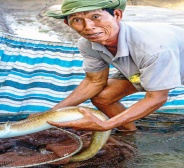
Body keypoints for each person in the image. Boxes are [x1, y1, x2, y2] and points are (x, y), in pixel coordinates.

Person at [45, 0, 184, 132]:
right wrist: (49, 115)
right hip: (144, 67)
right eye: (76, 20)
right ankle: (129, 134)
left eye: (95, 16)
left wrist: (105, 125)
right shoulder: (87, 44)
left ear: (117, 15)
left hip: (170, 59)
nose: (88, 27)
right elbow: (94, 81)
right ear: (67, 23)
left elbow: (157, 97)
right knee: (103, 98)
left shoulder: (152, 47)